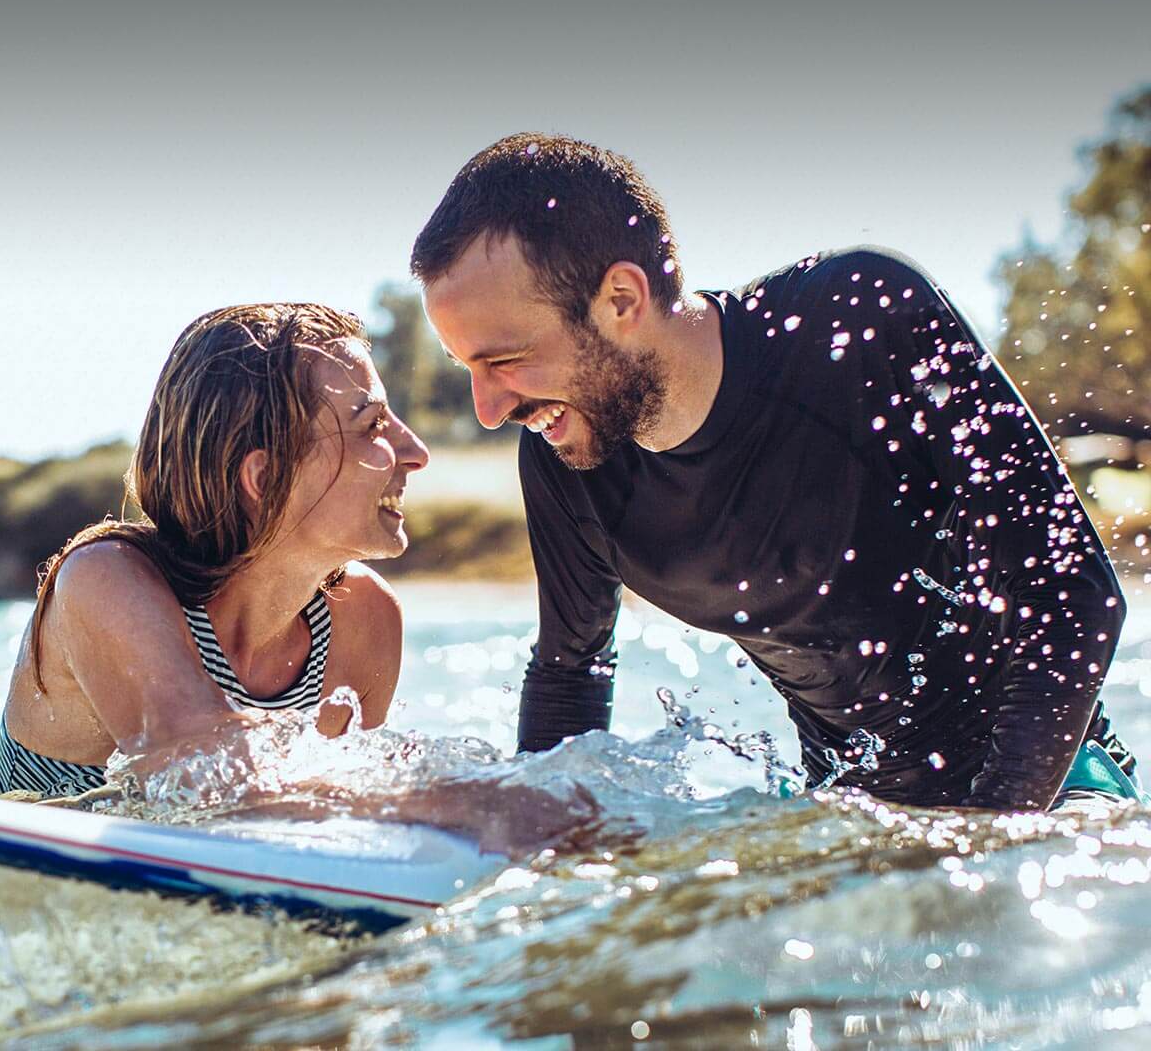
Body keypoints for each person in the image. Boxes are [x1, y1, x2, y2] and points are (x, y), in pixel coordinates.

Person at [411, 133, 1132, 811]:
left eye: (502, 360)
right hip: (849, 813)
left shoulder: (855, 320)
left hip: (1053, 786)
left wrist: (988, 838)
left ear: (621, 301)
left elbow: (1074, 592)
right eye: (466, 368)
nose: (487, 408)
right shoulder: (569, 458)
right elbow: (570, 676)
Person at [0, 302, 429, 799]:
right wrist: (477, 807)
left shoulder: (364, 620)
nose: (415, 452)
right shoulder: (105, 579)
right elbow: (202, 776)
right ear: (265, 479)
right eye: (373, 425)